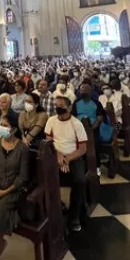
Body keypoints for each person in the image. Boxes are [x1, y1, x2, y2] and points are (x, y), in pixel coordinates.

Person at [0, 113, 29, 259]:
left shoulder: (22, 148)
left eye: (5, 126)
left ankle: (1, 240)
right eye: (1, 125)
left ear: (14, 129)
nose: (2, 128)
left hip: (12, 188)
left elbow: (23, 177)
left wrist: (4, 192)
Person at [45, 96, 88, 232]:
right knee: (42, 176)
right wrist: (59, 156)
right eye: (56, 105)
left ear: (69, 108)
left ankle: (74, 216)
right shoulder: (51, 120)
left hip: (74, 156)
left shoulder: (76, 124)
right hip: (55, 155)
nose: (58, 108)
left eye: (61, 105)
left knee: (80, 180)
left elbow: (82, 148)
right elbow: (49, 142)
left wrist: (67, 159)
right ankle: (53, 209)